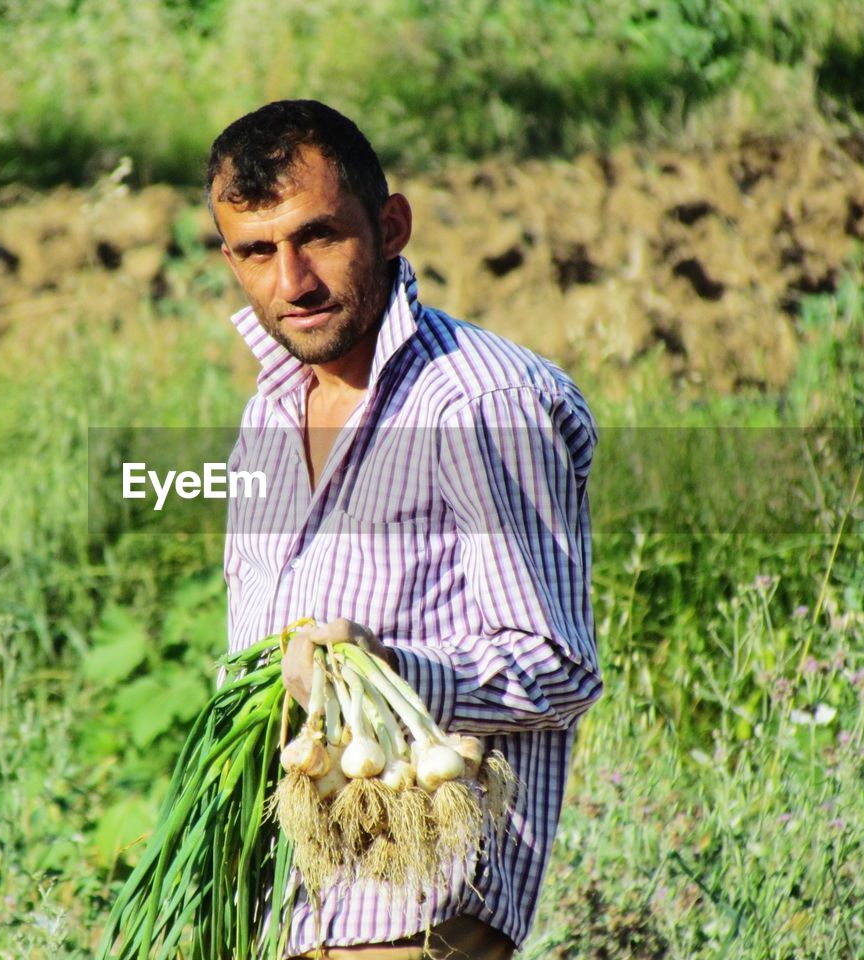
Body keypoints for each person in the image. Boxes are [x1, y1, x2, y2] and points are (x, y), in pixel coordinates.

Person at [207, 99, 602, 960]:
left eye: (318, 237)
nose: (292, 282)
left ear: (391, 227)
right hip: (284, 913)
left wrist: (393, 674)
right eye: (256, 251)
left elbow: (561, 664)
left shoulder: (480, 404)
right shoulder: (268, 416)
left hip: (417, 914)